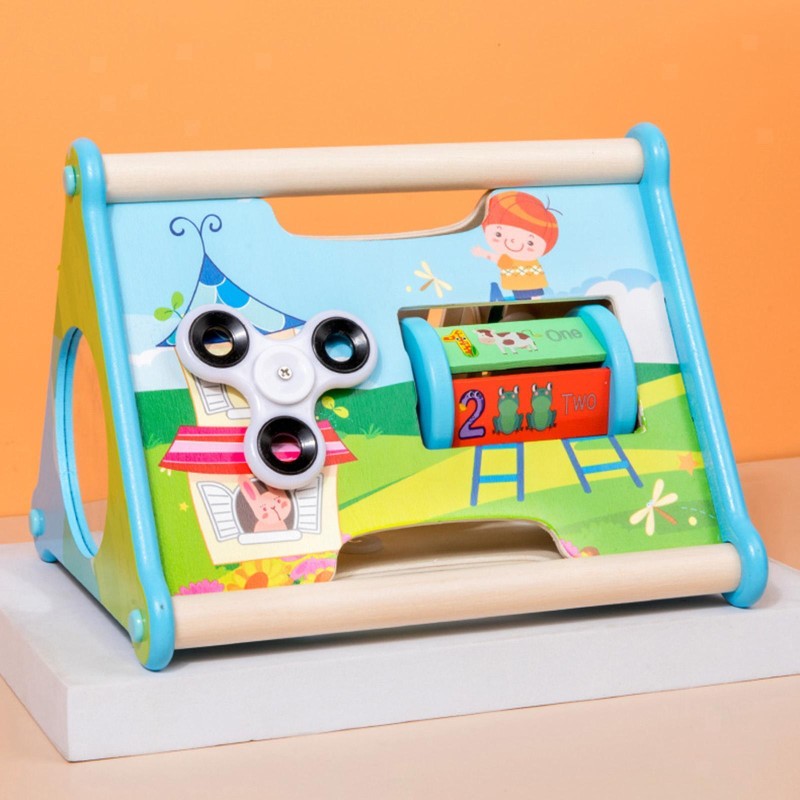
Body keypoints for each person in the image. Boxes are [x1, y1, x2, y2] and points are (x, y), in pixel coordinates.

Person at [471, 191, 560, 300]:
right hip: (531, 282)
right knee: (532, 296)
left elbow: (495, 258)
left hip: (521, 283)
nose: (513, 241)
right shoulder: (526, 260)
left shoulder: (511, 260)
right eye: (499, 234)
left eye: (530, 242)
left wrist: (482, 252)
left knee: (527, 297)